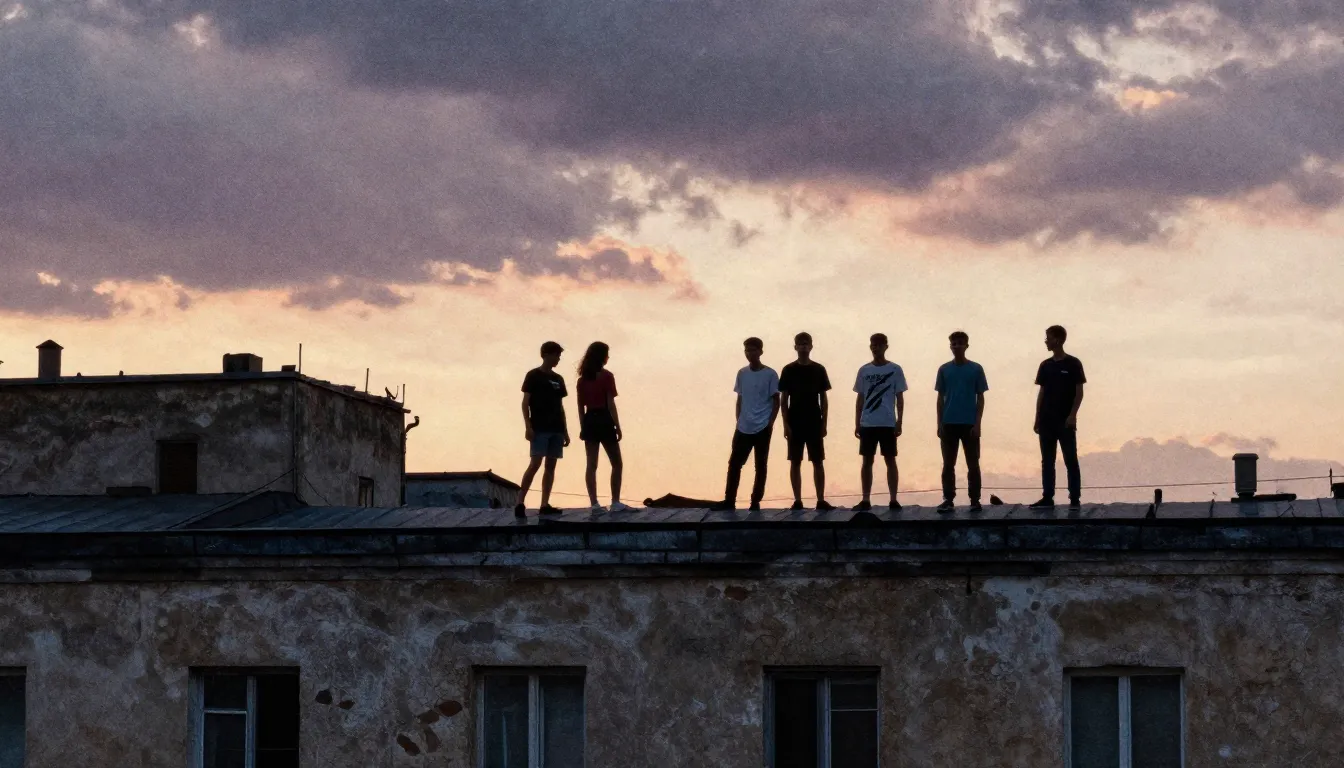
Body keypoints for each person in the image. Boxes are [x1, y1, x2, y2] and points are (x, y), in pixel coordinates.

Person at [711, 337, 780, 511]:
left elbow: (776, 399)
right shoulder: (742, 373)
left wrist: (770, 422)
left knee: (760, 465)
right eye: (747, 350)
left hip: (763, 426)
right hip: (743, 426)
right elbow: (740, 397)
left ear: (760, 351)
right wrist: (739, 418)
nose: (750, 353)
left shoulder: (770, 374)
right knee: (734, 463)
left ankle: (755, 501)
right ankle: (729, 500)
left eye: (753, 350)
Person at [1031, 325, 1086, 510]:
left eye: (1048, 338)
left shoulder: (1073, 363)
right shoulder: (1045, 365)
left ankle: (1074, 498)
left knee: (1070, 459)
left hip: (1065, 420)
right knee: (1047, 461)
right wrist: (1037, 417)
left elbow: (1079, 392)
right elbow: (1042, 392)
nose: (1046, 341)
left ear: (1058, 340)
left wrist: (1073, 415)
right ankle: (1048, 497)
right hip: (1046, 420)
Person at [779, 332, 835, 511]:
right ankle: (797, 500)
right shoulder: (788, 370)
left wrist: (824, 423)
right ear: (795, 347)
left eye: (806, 343)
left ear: (811, 346)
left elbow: (823, 398)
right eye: (800, 344)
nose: (803, 346)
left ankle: (821, 500)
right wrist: (785, 424)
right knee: (795, 461)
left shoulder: (819, 369)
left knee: (818, 461)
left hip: (814, 421)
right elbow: (783, 399)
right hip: (795, 421)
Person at [935, 331, 988, 514]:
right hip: (949, 423)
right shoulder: (944, 370)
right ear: (950, 346)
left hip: (969, 424)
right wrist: (939, 423)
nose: (957, 346)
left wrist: (978, 423)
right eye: (954, 343)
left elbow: (980, 398)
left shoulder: (976, 369)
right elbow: (940, 398)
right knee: (948, 464)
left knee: (973, 463)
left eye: (960, 343)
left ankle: (975, 500)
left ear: (966, 345)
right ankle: (948, 499)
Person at [853, 333, 907, 511]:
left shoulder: (895, 369)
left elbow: (900, 397)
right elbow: (860, 398)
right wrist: (857, 422)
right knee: (867, 461)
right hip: (868, 423)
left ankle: (893, 499)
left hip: (888, 422)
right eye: (873, 345)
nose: (876, 348)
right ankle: (865, 499)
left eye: (879, 345)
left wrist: (899, 421)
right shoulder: (864, 370)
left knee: (890, 460)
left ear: (886, 346)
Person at [515, 341, 570, 517]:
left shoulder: (558, 379)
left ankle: (544, 503)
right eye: (556, 355)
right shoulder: (533, 375)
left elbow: (560, 406)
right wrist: (528, 426)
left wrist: (565, 430)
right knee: (535, 463)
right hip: (539, 427)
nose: (558, 359)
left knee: (551, 466)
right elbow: (525, 403)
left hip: (556, 428)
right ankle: (520, 501)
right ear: (546, 354)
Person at [575, 341, 630, 512]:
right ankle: (615, 501)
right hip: (604, 418)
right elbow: (610, 404)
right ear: (602, 357)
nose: (608, 357)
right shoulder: (607, 376)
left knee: (591, 464)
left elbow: (580, 406)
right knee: (617, 463)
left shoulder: (582, 380)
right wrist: (617, 426)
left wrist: (583, 426)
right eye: (607, 354)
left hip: (590, 419)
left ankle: (594, 503)